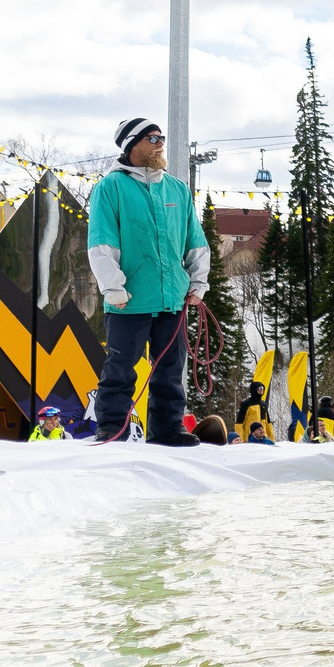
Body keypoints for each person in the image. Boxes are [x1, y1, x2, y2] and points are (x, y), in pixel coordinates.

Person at [85, 117, 206, 445]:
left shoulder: (177, 189)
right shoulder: (110, 188)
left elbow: (194, 239)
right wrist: (112, 287)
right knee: (121, 368)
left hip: (172, 297)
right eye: (152, 138)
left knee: (170, 369)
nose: (159, 143)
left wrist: (198, 281)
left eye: (161, 137)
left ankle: (167, 430)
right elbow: (101, 241)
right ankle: (112, 427)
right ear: (131, 145)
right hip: (129, 298)